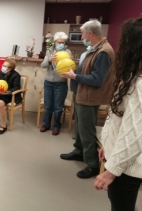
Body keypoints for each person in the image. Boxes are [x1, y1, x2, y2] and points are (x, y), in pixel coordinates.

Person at [94, 17, 142, 211]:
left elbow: (135, 135)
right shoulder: (133, 76)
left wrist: (111, 171)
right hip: (119, 158)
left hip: (127, 168)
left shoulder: (140, 85)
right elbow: (119, 118)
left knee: (121, 206)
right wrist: (107, 143)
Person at [59, 20, 115, 179]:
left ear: (90, 33)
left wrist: (74, 76)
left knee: (87, 130)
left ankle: (92, 164)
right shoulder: (95, 49)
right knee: (80, 127)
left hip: (90, 97)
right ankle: (79, 151)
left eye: (83, 33)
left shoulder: (103, 52)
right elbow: (88, 69)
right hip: (82, 94)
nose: (82, 36)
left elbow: (97, 79)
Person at [40, 32, 72, 135]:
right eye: (59, 42)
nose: (61, 44)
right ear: (55, 42)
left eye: (63, 42)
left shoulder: (68, 52)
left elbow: (71, 66)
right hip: (48, 82)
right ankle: (46, 124)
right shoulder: (49, 52)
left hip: (61, 83)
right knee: (48, 106)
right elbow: (43, 65)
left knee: (58, 107)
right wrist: (49, 60)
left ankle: (56, 126)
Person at [0, 58, 21, 134]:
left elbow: (17, 87)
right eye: (3, 65)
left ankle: (3, 125)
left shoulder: (16, 75)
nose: (3, 67)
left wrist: (8, 92)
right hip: (0, 92)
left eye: (5, 66)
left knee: (0, 104)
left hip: (10, 95)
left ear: (10, 68)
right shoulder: (2, 73)